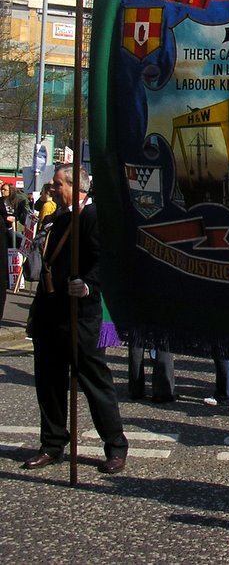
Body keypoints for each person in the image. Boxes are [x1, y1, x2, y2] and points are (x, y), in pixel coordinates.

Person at [22, 164, 129, 474]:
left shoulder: (93, 217)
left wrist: (88, 284)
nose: (53, 189)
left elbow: (106, 259)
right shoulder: (61, 217)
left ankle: (115, 446)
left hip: (80, 315)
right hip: (51, 312)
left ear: (75, 186)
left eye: (58, 184)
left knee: (95, 383)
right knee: (49, 382)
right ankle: (52, 443)